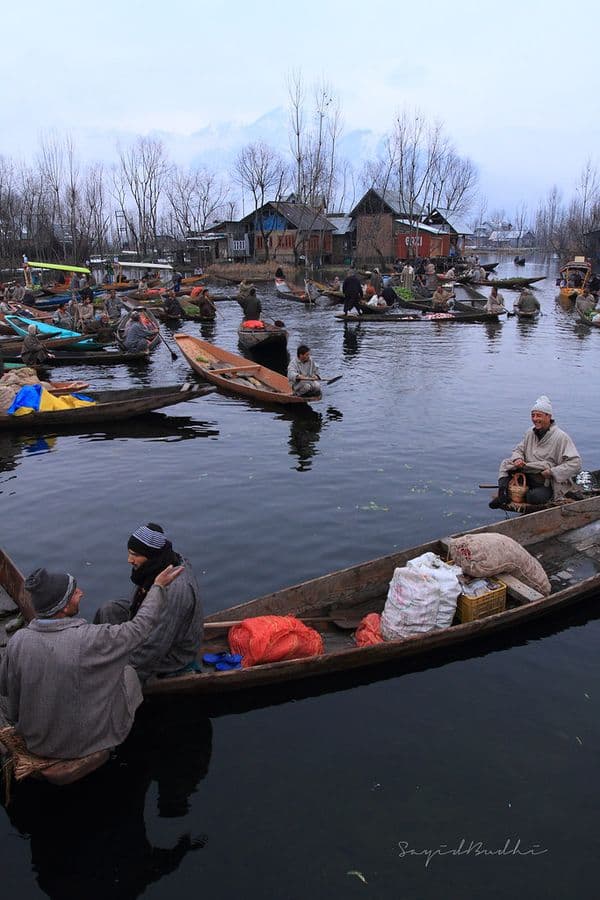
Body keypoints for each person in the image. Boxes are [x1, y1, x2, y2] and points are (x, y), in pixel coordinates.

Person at [0, 562, 183, 759]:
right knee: (129, 673)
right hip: (81, 745)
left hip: (36, 743)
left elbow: (6, 689)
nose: (81, 593)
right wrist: (158, 588)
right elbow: (140, 627)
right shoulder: (90, 638)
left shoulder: (18, 640)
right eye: (74, 593)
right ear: (62, 607)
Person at [93, 523, 203, 682]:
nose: (129, 560)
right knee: (109, 610)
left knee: (116, 670)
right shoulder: (159, 562)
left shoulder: (176, 590)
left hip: (171, 653)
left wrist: (121, 676)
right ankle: (96, 656)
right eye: (129, 553)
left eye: (135, 555)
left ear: (151, 555)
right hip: (153, 624)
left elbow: (155, 646)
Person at [489, 395, 582, 509]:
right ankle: (502, 495)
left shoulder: (561, 437)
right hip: (528, 474)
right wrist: (518, 459)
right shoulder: (530, 433)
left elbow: (575, 464)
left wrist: (552, 472)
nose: (535, 419)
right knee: (507, 463)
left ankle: (525, 494)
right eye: (533, 415)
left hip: (547, 482)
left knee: (533, 497)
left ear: (548, 416)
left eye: (539, 415)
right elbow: (519, 449)